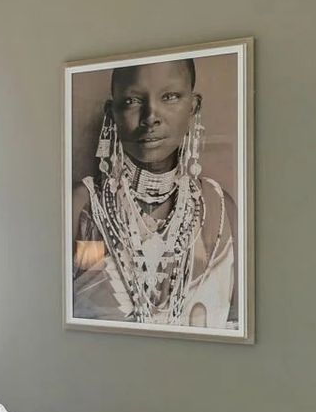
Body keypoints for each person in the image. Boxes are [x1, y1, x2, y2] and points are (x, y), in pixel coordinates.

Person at [71, 57, 235, 328]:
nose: (150, 117)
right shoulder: (84, 208)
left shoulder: (219, 210)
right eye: (132, 101)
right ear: (111, 113)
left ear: (193, 107)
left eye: (170, 97)